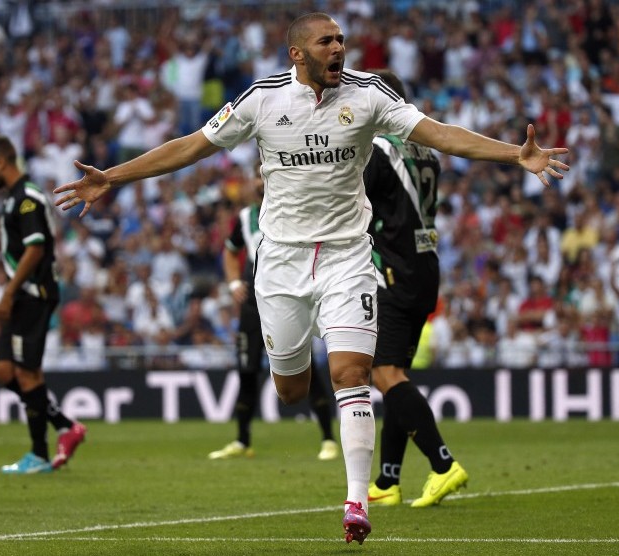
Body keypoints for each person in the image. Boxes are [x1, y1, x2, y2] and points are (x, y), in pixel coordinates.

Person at [54, 13, 567, 544]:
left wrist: (515, 154)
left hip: (348, 257)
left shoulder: (368, 95)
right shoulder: (261, 100)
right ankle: (324, 423)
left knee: (352, 374)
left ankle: (356, 501)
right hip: (280, 263)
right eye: (326, 41)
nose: (339, 48)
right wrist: (112, 176)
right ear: (297, 53)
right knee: (292, 391)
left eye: (341, 40)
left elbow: (437, 133)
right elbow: (190, 146)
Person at [361, 70, 468, 509]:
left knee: (383, 374)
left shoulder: (379, 152)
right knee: (394, 377)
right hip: (425, 268)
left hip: (393, 271)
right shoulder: (426, 150)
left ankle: (443, 465)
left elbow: (354, 206)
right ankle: (387, 480)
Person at [0, 135, 86, 474]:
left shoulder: (27, 198)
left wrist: (8, 292)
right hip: (22, 292)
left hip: (33, 293)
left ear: (0, 162)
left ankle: (39, 454)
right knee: (6, 372)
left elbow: (36, 248)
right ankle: (66, 426)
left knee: (26, 373)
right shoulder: (13, 199)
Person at [208, 175, 339, 462]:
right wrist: (232, 283)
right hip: (254, 304)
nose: (258, 182)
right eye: (254, 176)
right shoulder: (245, 217)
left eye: (262, 175)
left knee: (306, 367)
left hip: (289, 297)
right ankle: (242, 440)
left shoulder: (292, 209)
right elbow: (231, 251)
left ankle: (328, 438)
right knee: (246, 370)